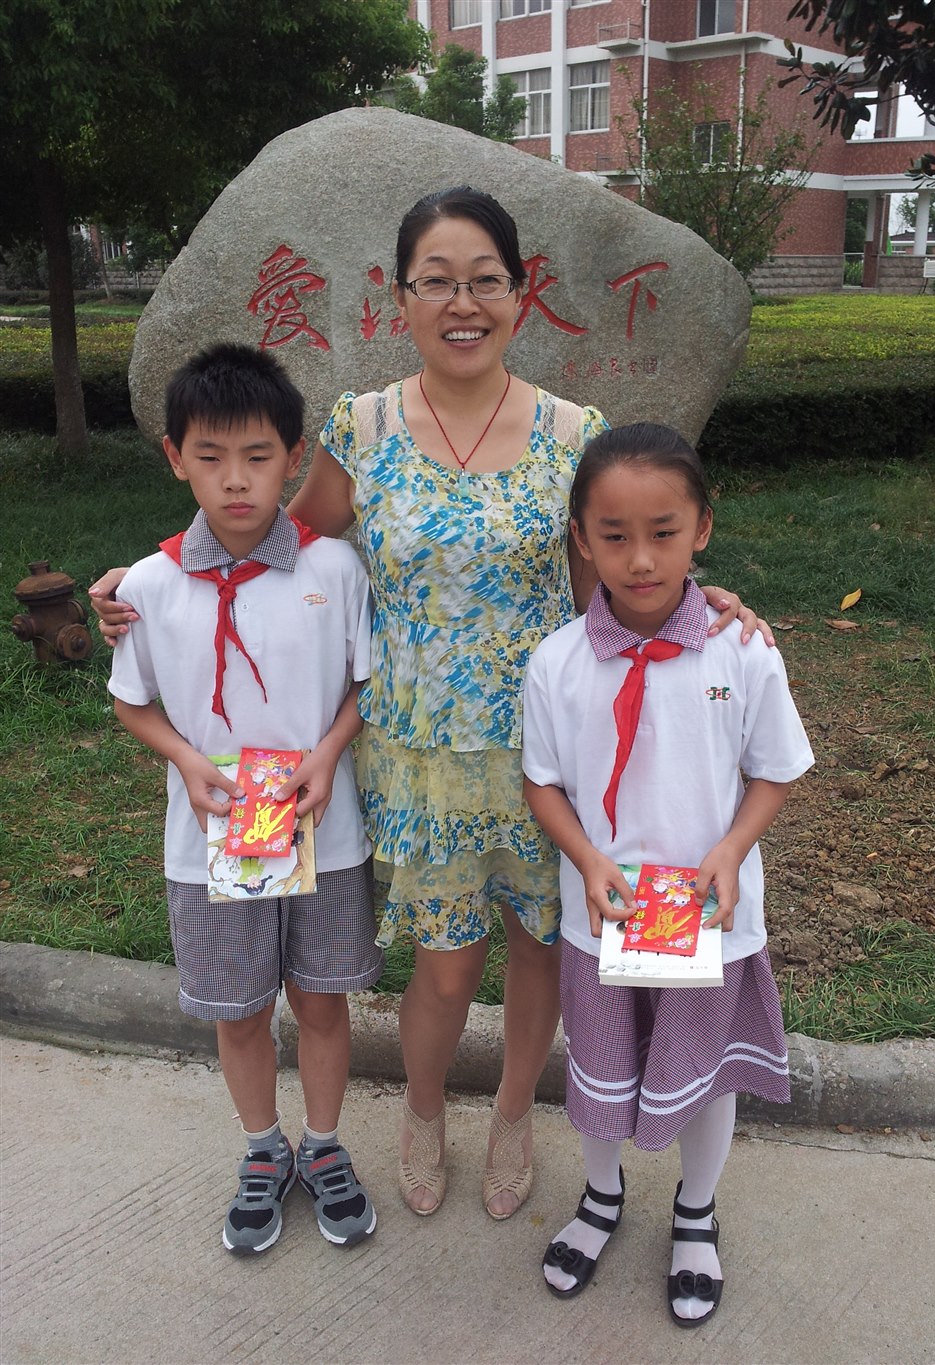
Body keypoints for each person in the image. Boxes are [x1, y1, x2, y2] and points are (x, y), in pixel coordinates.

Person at [92, 187, 770, 1222]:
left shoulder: (570, 433)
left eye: (485, 281)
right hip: (415, 757)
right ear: (400, 297)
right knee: (446, 973)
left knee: (542, 954)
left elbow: (611, 577)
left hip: (551, 754)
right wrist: (147, 578)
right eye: (437, 282)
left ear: (520, 293)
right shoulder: (361, 428)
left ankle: (512, 1113)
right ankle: (421, 1109)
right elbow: (277, 541)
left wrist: (701, 608)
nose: (463, 303)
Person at [521, 422, 813, 1325]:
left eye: (664, 532)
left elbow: (775, 770)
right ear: (581, 537)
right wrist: (586, 858)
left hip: (709, 918)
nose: (641, 558)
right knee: (600, 1068)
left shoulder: (743, 650)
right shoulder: (557, 662)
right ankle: (601, 1195)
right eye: (614, 535)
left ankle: (696, 1211)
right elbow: (542, 782)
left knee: (705, 1071)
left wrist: (731, 848)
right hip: (603, 917)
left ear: (702, 529)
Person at [107, 343, 382, 1255]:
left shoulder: (333, 570)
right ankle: (264, 1148)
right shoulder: (150, 586)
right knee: (238, 1009)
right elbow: (131, 700)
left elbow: (366, 685)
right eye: (211, 456)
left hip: (322, 833)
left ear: (294, 457)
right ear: (174, 456)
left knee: (323, 1000)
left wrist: (330, 755)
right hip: (211, 842)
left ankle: (325, 1144)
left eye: (258, 456)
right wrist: (186, 759)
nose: (236, 479)